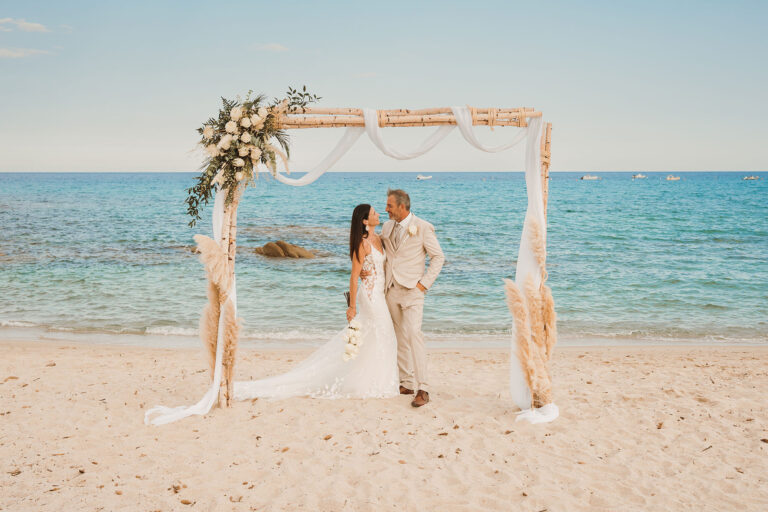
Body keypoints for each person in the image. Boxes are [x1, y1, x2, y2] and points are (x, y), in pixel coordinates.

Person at [233, 204, 399, 400]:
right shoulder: (362, 244)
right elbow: (354, 276)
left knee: (379, 335)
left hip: (380, 292)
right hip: (371, 295)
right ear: (364, 221)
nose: (378, 214)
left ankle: (375, 379)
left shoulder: (378, 238)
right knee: (382, 332)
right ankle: (372, 383)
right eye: (373, 213)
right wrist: (352, 307)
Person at [380, 189, 444, 407]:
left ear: (402, 206)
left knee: (414, 334)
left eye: (389, 206)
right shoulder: (387, 227)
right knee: (399, 336)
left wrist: (423, 285)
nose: (386, 209)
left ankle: (423, 388)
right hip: (391, 289)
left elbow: (438, 257)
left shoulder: (423, 227)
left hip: (413, 291)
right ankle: (406, 382)